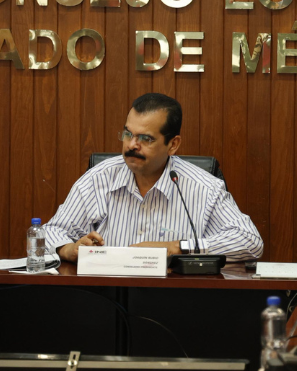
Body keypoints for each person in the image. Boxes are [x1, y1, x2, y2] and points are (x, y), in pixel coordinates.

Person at [44, 93, 263, 263]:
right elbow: (51, 231)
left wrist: (175, 248)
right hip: (108, 298)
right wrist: (68, 249)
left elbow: (250, 241)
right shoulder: (98, 179)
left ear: (173, 145)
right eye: (128, 134)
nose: (131, 145)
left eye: (146, 138)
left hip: (178, 301)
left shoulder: (204, 187)